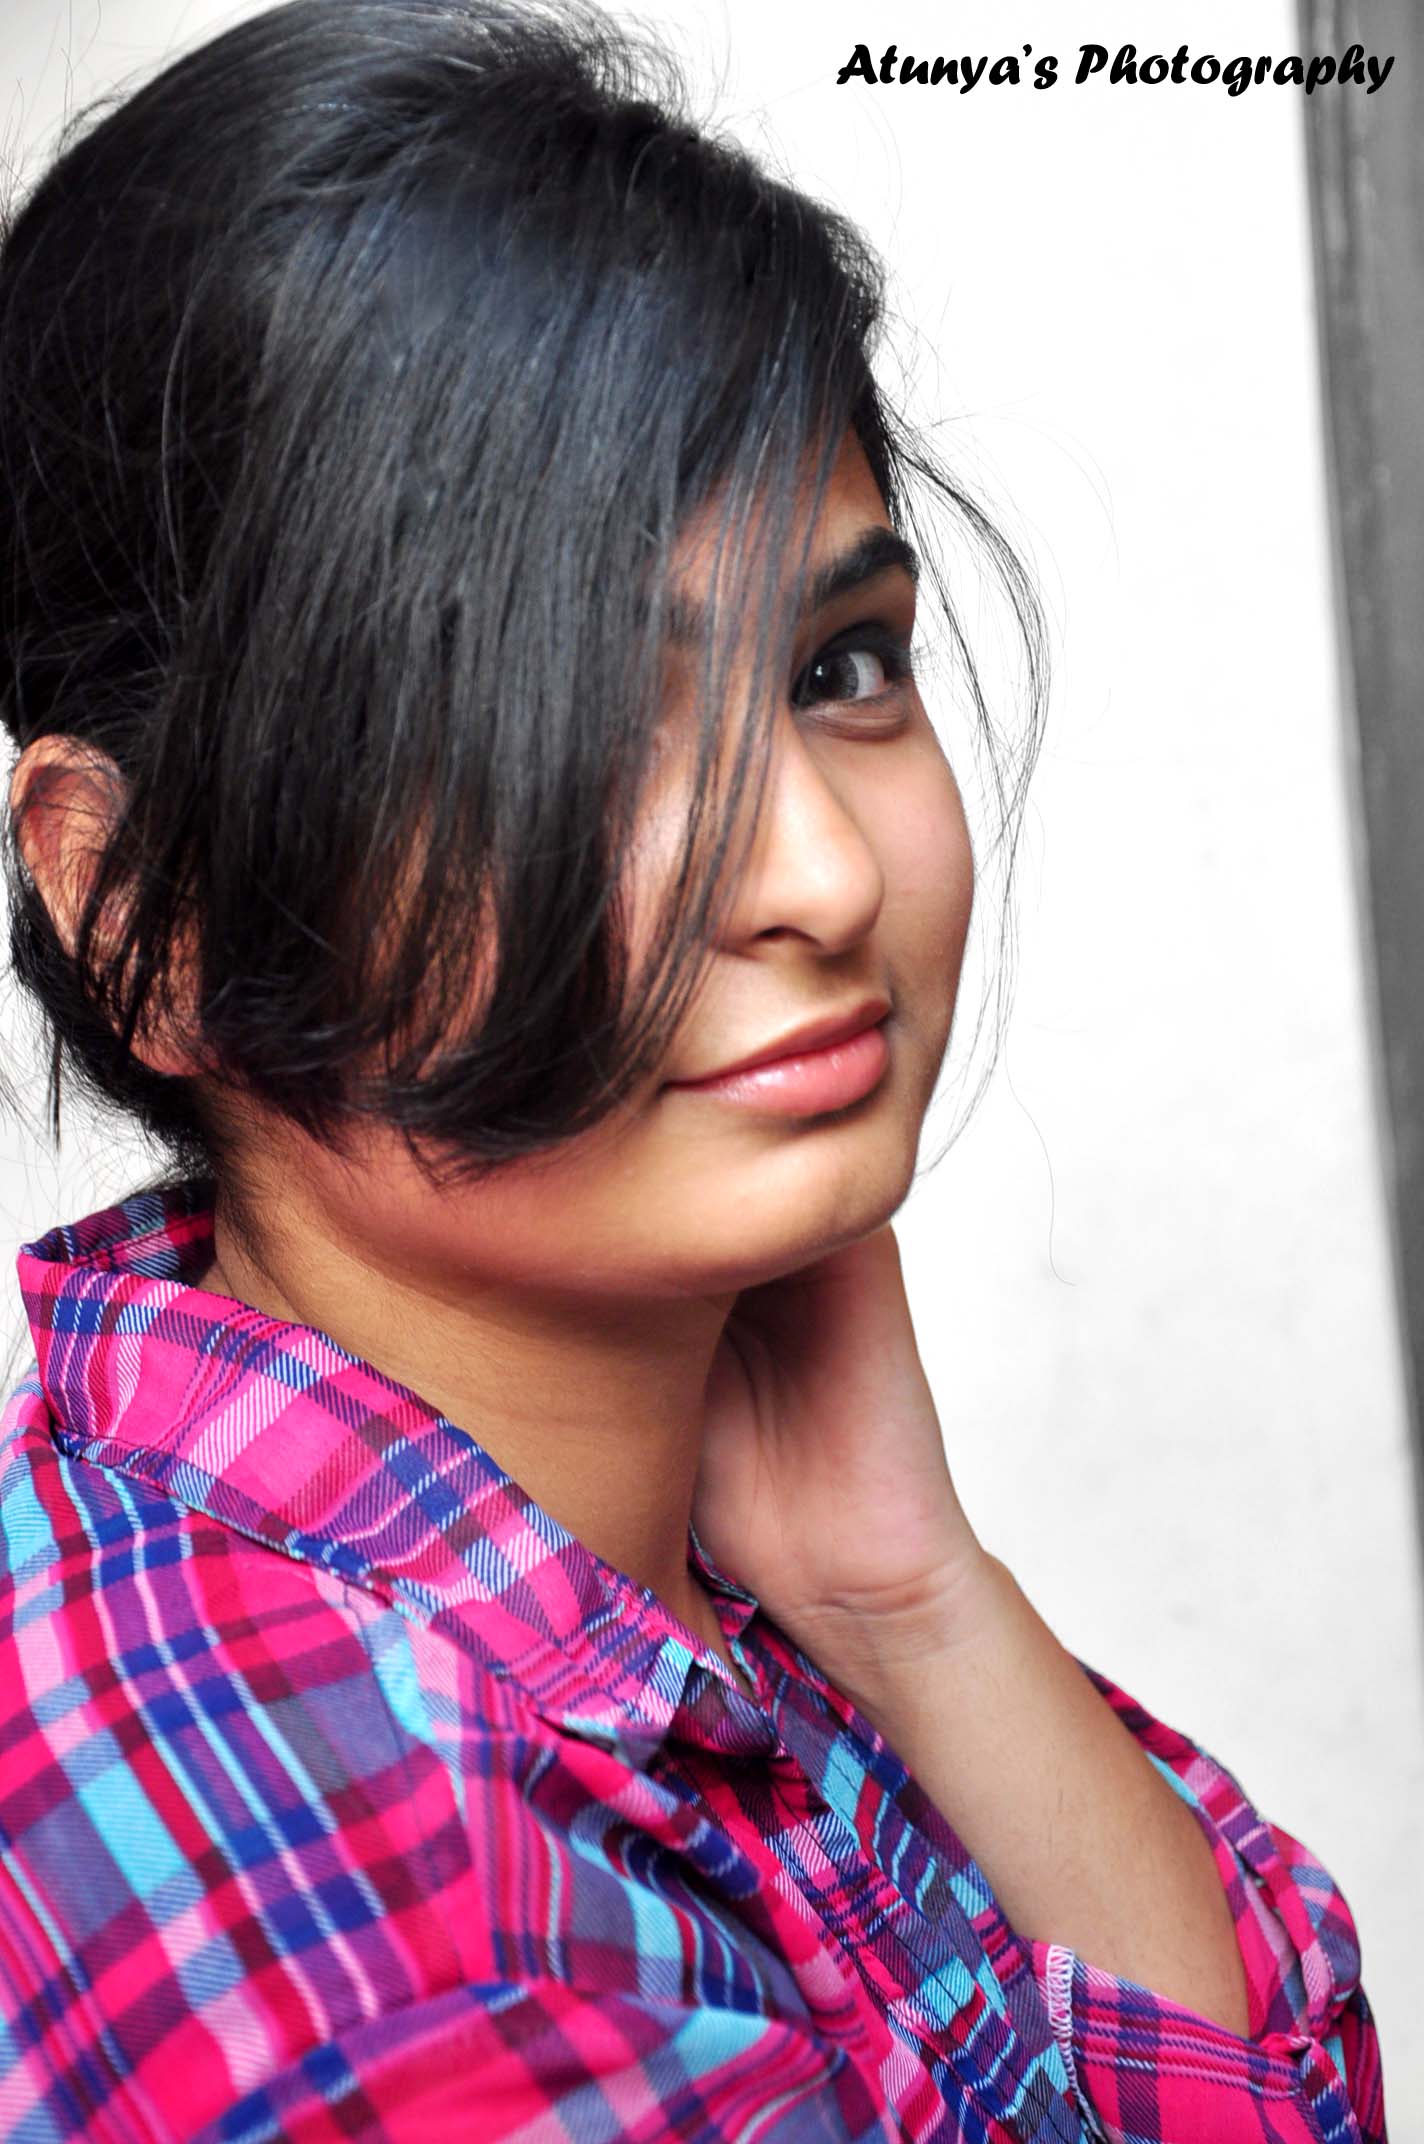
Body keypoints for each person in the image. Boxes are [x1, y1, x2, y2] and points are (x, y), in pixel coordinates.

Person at [0, 1, 1386, 2138]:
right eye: (560, 733)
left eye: (842, 665)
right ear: (139, 916)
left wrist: (906, 1595)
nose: (820, 873)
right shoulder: (367, 1937)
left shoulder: (674, 1579)